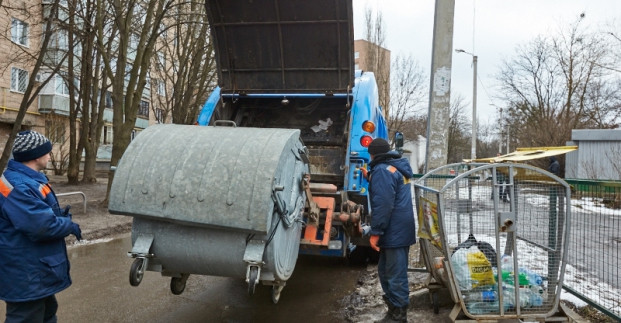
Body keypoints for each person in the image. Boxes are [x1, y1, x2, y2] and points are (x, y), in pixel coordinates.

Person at [0, 130, 82, 323]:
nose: (49, 155)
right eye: (47, 151)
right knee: (26, 317)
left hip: (34, 270)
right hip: (26, 272)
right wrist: (68, 225)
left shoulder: (27, 180)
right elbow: (42, 227)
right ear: (36, 156)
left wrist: (59, 218)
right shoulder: (18, 186)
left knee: (46, 313)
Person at [361, 138, 416, 322]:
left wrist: (375, 232)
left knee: (394, 275)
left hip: (394, 231)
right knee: (386, 272)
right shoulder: (393, 167)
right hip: (399, 229)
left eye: (370, 153)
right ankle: (394, 312)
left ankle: (399, 316)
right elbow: (391, 187)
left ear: (373, 154)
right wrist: (370, 177)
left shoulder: (383, 171)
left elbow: (383, 204)